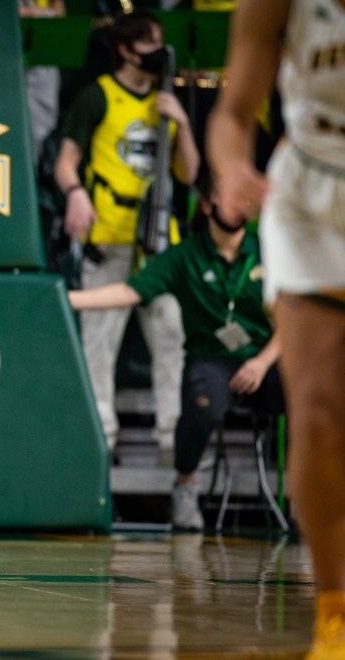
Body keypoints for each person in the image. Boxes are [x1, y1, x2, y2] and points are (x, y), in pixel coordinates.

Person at [206, 0, 345, 655]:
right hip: (311, 200)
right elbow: (233, 113)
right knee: (317, 411)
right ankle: (334, 615)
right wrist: (233, 168)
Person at [69, 171, 283, 529]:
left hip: (265, 359)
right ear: (207, 202)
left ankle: (322, 502)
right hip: (212, 361)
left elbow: (293, 320)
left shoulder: (268, 251)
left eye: (240, 197)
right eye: (226, 196)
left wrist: (261, 363)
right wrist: (63, 298)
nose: (235, 204)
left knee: (318, 397)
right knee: (199, 402)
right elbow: (128, 292)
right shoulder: (185, 255)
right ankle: (184, 486)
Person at [54, 10, 200, 460]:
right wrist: (76, 192)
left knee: (171, 332)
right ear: (125, 49)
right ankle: (102, 437)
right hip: (109, 235)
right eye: (148, 45)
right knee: (99, 338)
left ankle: (172, 439)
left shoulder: (166, 100)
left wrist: (182, 123)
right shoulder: (98, 96)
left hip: (158, 242)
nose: (156, 55)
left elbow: (188, 174)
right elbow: (65, 161)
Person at [16, 0, 68, 165]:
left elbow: (59, 12)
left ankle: (31, 173)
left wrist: (36, 12)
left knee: (38, 124)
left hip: (39, 52)